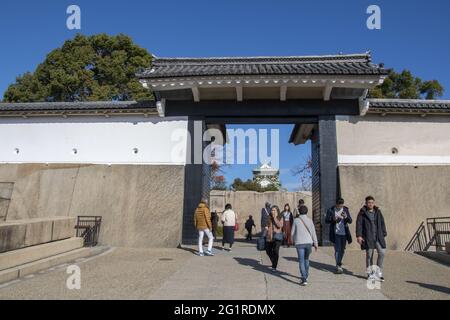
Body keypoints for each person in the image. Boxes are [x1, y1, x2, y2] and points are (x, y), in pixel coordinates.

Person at [356, 196, 387, 281]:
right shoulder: (362, 212)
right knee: (369, 255)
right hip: (368, 237)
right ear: (366, 203)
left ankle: (378, 272)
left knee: (382, 252)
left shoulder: (378, 212)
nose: (371, 204)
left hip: (378, 237)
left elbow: (382, 222)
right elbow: (359, 224)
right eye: (369, 202)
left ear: (374, 203)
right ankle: (370, 274)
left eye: (372, 202)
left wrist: (384, 232)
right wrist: (359, 235)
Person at [291, 205, 318, 286]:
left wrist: (293, 240)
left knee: (301, 261)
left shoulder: (296, 220)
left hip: (299, 243)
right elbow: (313, 233)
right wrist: (316, 243)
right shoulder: (310, 220)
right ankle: (306, 275)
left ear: (299, 211)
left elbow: (292, 233)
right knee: (306, 259)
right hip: (309, 243)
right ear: (307, 211)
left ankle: (304, 278)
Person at [325, 197, 353, 274]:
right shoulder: (331, 210)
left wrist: (346, 217)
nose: (340, 207)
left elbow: (350, 221)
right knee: (337, 250)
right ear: (336, 204)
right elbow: (326, 220)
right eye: (339, 206)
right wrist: (333, 220)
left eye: (342, 206)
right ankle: (338, 265)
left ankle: (339, 262)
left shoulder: (345, 210)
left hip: (344, 233)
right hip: (335, 233)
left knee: (342, 250)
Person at [265, 205, 284, 271]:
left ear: (277, 211)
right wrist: (266, 227)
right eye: (272, 210)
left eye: (274, 210)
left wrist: (275, 218)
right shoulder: (269, 217)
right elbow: (266, 224)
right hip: (269, 236)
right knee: (268, 251)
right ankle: (274, 261)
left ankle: (274, 266)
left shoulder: (280, 217)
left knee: (276, 251)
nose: (272, 211)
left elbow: (280, 225)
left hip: (277, 237)